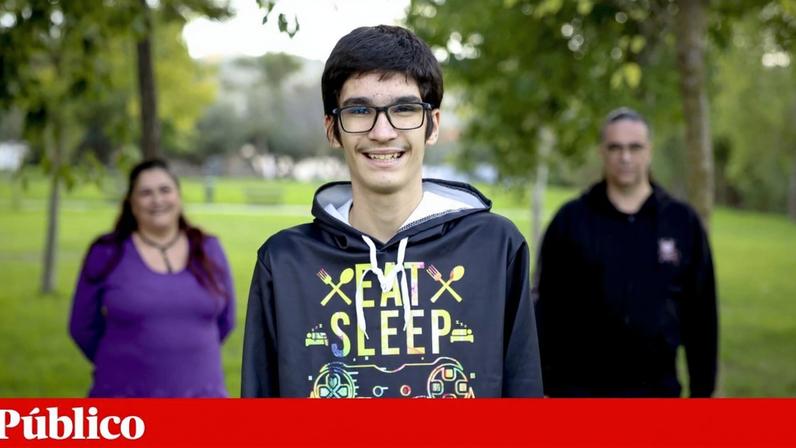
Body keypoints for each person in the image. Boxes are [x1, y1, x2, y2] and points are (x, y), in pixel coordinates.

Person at [241, 25, 543, 398]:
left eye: (403, 109)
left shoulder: (496, 248)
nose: (382, 132)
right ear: (333, 130)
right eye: (359, 110)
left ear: (432, 125)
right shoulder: (285, 262)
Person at [534, 108, 718, 397]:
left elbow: (702, 317)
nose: (625, 157)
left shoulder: (682, 222)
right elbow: (545, 309)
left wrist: (702, 393)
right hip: (578, 390)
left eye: (635, 147)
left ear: (649, 151)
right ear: (602, 153)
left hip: (657, 391)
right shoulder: (570, 221)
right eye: (615, 147)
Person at [69, 159, 235, 397]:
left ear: (178, 196)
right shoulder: (106, 252)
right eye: (146, 193)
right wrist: (122, 361)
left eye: (165, 190)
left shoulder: (208, 248)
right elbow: (81, 327)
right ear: (132, 203)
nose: (157, 200)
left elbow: (226, 321)